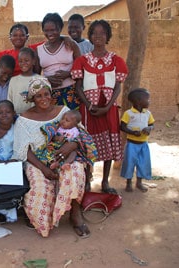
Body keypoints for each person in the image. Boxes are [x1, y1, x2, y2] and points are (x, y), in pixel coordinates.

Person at [12, 77, 92, 238]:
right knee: (39, 195)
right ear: (32, 98)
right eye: (38, 96)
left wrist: (72, 145)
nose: (44, 99)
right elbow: (24, 151)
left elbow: (81, 134)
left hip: (65, 157)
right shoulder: (23, 120)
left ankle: (75, 213)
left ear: (51, 94)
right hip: (38, 162)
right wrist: (44, 169)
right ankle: (46, 215)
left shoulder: (63, 111)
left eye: (46, 94)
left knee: (75, 170)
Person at [71, 19, 129, 194]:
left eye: (102, 33)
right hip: (89, 110)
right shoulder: (82, 60)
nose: (98, 36)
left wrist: (108, 106)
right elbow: (78, 87)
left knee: (109, 144)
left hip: (108, 109)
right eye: (94, 33)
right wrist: (88, 104)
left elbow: (117, 86)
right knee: (90, 144)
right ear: (90, 36)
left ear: (108, 36)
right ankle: (88, 180)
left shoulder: (116, 60)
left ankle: (105, 181)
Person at [37, 12, 81, 111]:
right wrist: (47, 80)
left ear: (60, 29)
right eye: (46, 30)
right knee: (53, 124)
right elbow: (36, 76)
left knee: (72, 124)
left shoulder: (70, 45)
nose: (50, 33)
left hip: (72, 92)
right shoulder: (39, 50)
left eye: (53, 30)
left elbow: (82, 67)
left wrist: (69, 74)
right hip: (50, 95)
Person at [120, 88, 155, 192]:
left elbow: (152, 124)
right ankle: (128, 183)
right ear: (139, 101)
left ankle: (139, 182)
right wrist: (132, 132)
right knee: (129, 163)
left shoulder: (147, 113)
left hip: (144, 144)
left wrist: (149, 128)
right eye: (147, 99)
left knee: (143, 163)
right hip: (132, 144)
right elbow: (122, 127)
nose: (149, 101)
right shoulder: (128, 113)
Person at [7, 47, 39, 114]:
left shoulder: (39, 79)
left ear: (33, 61)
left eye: (26, 60)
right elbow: (9, 100)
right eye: (20, 61)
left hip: (34, 117)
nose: (23, 63)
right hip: (17, 118)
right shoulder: (13, 80)